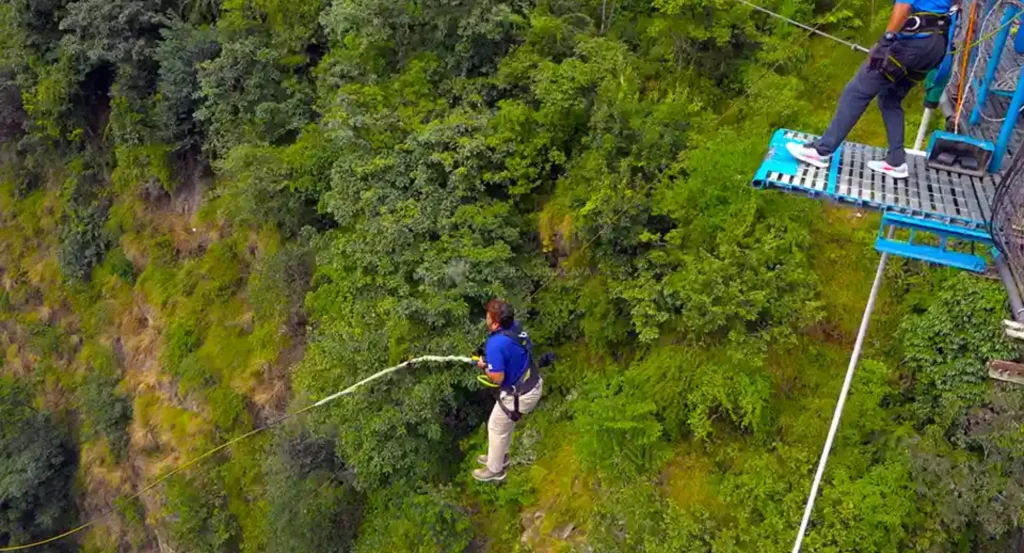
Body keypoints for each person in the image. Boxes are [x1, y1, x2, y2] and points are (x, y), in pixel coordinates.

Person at [786, 0, 952, 179]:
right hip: (936, 46)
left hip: (914, 43)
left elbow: (903, 6)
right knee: (890, 98)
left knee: (856, 92)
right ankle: (896, 161)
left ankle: (821, 151)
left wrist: (885, 41)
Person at [472, 299, 543, 483]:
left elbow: (497, 378)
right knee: (504, 425)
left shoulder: (496, 344)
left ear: (495, 323)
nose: (486, 319)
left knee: (496, 426)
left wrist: (483, 367)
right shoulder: (516, 328)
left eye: (488, 317)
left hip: (521, 393)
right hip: (531, 383)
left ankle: (495, 469)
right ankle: (499, 456)